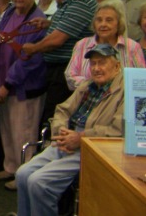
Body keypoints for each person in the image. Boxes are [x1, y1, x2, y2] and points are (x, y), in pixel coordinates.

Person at [16, 43, 124, 216]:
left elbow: (118, 130)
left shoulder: (124, 92)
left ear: (117, 66)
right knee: (22, 174)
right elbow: (62, 110)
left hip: (91, 149)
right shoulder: (87, 85)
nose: (96, 68)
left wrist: (80, 137)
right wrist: (60, 132)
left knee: (39, 182)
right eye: (93, 63)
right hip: (66, 139)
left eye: (102, 63)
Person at [22, 0, 97, 129]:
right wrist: (49, 23)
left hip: (63, 72)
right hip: (56, 71)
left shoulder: (81, 2)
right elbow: (70, 27)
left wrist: (33, 48)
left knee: (53, 120)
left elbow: (58, 39)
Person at [0, 0, 47, 191]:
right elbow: (2, 38)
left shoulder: (37, 20)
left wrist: (8, 84)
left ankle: (25, 174)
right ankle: (11, 166)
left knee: (24, 131)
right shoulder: (10, 12)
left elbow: (28, 59)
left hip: (24, 86)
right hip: (4, 82)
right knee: (7, 128)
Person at [65, 0, 144, 91]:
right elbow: (70, 77)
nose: (103, 24)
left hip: (121, 101)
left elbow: (141, 80)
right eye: (99, 20)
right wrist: (95, 85)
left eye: (109, 20)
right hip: (87, 99)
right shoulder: (82, 45)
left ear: (118, 24)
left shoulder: (132, 47)